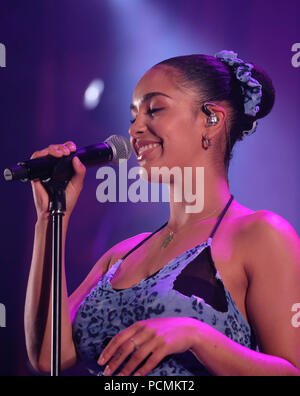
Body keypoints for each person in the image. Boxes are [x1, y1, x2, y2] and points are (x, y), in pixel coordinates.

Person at [25, 50, 300, 376]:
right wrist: (50, 217)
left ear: (211, 120)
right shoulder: (122, 254)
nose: (136, 129)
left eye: (154, 110)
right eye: (133, 117)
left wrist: (195, 335)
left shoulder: (261, 234)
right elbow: (48, 356)